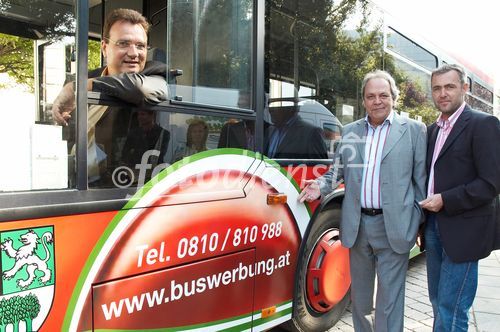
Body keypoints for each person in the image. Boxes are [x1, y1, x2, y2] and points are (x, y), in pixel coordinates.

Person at [299, 70, 427, 331]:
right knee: (360, 299)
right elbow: (337, 172)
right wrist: (319, 187)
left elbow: (420, 182)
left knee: (390, 301)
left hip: (395, 225)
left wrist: (416, 219)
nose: (377, 101)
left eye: (383, 95)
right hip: (358, 227)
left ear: (393, 97)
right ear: (364, 100)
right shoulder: (349, 131)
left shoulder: (414, 130)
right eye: (371, 96)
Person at [419, 64, 500, 331]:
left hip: (465, 231)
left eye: (450, 87)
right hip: (433, 226)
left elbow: (491, 184)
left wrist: (445, 199)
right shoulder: (432, 130)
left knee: (452, 308)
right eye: (437, 88)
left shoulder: (483, 124)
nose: (443, 94)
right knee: (436, 300)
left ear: (464, 88)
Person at [51, 8, 168, 183]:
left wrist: (75, 88)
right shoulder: (86, 77)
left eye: (140, 46)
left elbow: (138, 89)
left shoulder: (155, 73)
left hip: (117, 188)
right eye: (124, 43)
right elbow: (67, 135)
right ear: (105, 48)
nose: (134, 53)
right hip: (72, 180)